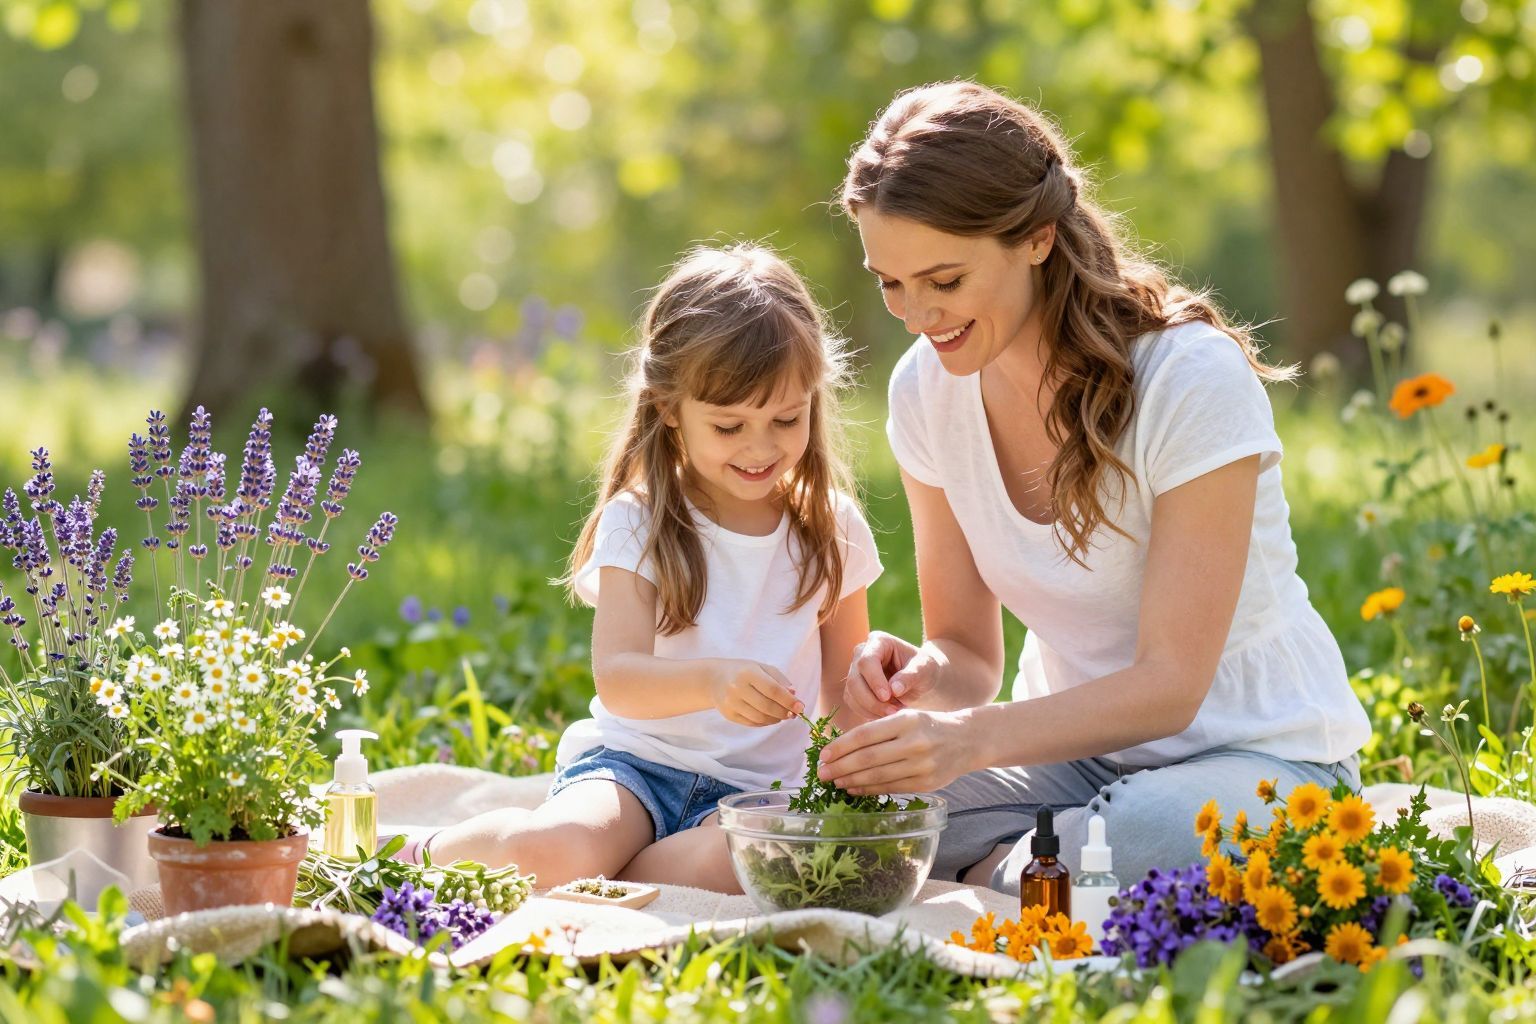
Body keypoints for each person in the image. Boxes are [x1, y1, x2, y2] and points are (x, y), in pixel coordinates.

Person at [814, 81, 1370, 891]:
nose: (917, 315)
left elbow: (1170, 687)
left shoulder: (1187, 379)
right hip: (1066, 758)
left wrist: (968, 741)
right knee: (845, 808)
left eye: (944, 280)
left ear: (1036, 239)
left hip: (1258, 757)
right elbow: (968, 654)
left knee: (1143, 830)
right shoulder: (925, 390)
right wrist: (920, 679)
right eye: (890, 282)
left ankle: (1001, 872)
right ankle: (1029, 870)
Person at [411, 243, 882, 891]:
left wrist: (878, 696)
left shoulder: (832, 530)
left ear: (813, 401)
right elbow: (620, 678)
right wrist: (714, 682)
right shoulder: (642, 518)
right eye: (728, 425)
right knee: (553, 848)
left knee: (759, 859)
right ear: (669, 408)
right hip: (634, 770)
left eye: (785, 419)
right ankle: (415, 854)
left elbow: (843, 704)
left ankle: (609, 873)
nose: (760, 446)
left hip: (756, 798)